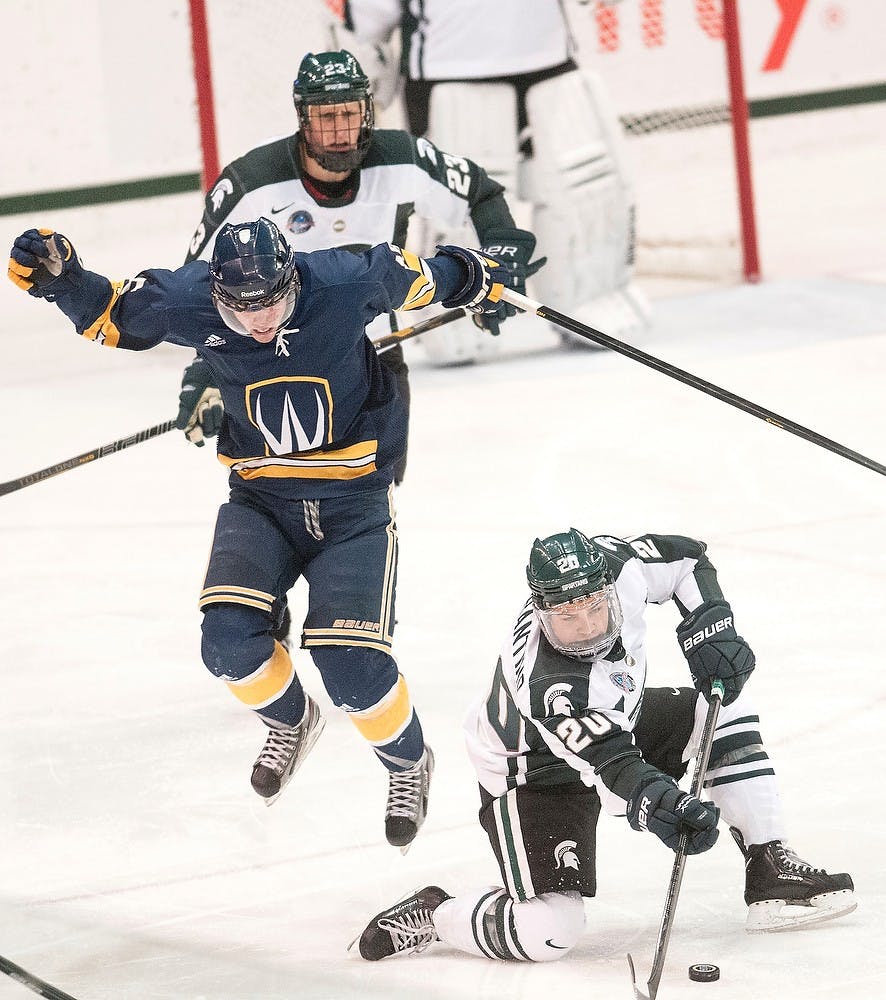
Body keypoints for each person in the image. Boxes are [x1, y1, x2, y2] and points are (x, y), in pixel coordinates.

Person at [7, 219, 539, 850]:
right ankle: (293, 719)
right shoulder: (190, 298)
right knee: (227, 644)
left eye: (273, 306)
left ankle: (407, 762)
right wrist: (61, 282)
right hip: (261, 497)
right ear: (217, 294)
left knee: (351, 662)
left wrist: (477, 276)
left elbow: (424, 278)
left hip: (353, 504)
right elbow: (117, 314)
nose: (260, 324)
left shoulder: (344, 281)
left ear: (292, 279)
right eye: (242, 311)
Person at [356, 528, 855, 958]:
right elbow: (613, 763)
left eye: (594, 608)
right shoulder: (552, 684)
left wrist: (709, 627)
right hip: (534, 770)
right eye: (567, 619)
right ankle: (440, 914)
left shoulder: (620, 568)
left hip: (619, 722)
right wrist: (662, 805)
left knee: (720, 712)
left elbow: (686, 561)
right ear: (542, 611)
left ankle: (768, 866)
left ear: (606, 587)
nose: (587, 628)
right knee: (550, 933)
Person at [178, 48, 539, 472]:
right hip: (275, 358)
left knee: (374, 498)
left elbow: (479, 192)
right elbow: (198, 283)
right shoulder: (250, 182)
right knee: (281, 494)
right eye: (326, 117)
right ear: (302, 116)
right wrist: (206, 367)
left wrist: (500, 260)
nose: (339, 131)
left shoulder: (402, 157)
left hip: (376, 355)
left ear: (367, 112)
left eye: (349, 115)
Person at [329, 0, 650, 360]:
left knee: (588, 186)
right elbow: (369, 21)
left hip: (549, 56)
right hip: (449, 65)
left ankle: (591, 294)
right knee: (460, 203)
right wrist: (364, 60)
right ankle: (453, 312)